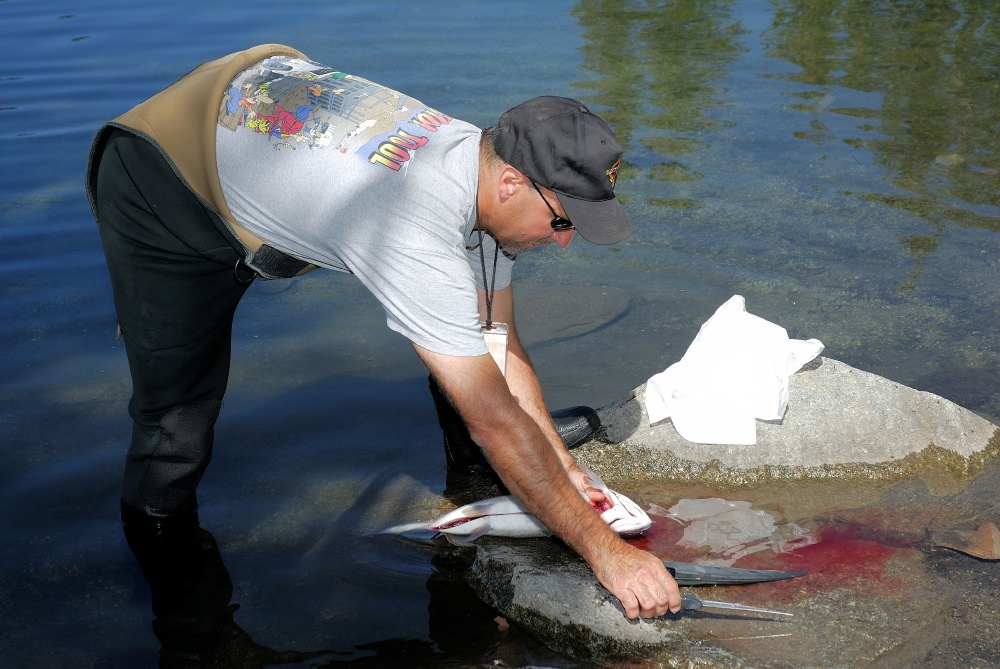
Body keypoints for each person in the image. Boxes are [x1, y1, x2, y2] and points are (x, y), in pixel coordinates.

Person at [86, 44, 680, 621]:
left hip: (264, 133)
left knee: (466, 344)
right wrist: (609, 556)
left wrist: (559, 465)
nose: (565, 240)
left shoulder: (482, 169)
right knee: (177, 422)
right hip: (163, 176)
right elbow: (491, 412)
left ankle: (502, 477)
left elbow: (498, 339)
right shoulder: (414, 227)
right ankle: (175, 605)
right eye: (562, 221)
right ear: (510, 185)